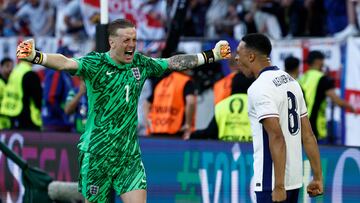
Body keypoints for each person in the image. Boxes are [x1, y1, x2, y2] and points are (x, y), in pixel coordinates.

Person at [16, 19, 231, 203]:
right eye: (126, 40)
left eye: (135, 40)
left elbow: (172, 63)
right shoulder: (96, 63)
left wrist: (211, 55)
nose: (132, 45)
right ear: (112, 42)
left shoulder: (140, 63)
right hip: (97, 154)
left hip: (128, 157)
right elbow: (65, 63)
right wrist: (37, 56)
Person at [235, 33, 323, 202]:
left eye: (239, 54)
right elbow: (308, 135)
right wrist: (318, 177)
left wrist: (279, 186)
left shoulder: (259, 88)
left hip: (273, 183)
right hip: (295, 181)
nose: (237, 59)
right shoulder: (291, 81)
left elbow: (276, 137)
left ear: (251, 56)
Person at [299, 50, 356, 142]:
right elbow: (337, 100)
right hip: (316, 126)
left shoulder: (302, 78)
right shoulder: (323, 78)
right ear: (318, 61)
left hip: (302, 124)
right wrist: (352, 107)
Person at [189, 72, 254, 142]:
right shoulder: (255, 105)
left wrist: (192, 134)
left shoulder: (221, 105)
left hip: (225, 150)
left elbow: (210, 132)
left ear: (232, 85)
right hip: (251, 149)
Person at [144, 63, 196, 139]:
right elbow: (190, 102)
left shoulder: (161, 81)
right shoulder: (186, 81)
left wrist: (148, 121)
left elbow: (146, 103)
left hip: (155, 130)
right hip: (176, 131)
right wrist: (188, 124)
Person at [0, 61, 42, 130]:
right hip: (28, 116)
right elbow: (37, 97)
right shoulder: (29, 73)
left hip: (12, 113)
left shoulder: (15, 72)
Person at [0, 57, 14, 129]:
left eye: (12, 67)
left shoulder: (12, 83)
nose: (10, 69)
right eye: (7, 66)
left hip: (8, 121)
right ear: (1, 67)